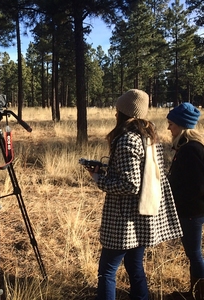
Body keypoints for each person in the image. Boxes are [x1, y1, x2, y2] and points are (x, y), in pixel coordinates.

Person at [85, 89, 182, 299]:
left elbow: (130, 184)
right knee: (134, 265)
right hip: (143, 216)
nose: (115, 114)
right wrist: (106, 169)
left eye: (117, 110)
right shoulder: (148, 137)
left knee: (107, 271)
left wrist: (98, 179)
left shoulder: (127, 139)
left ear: (123, 112)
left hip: (124, 220)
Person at [167, 103, 204, 300]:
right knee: (194, 254)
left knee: (195, 254)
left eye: (171, 124)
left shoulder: (191, 150)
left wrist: (179, 203)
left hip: (191, 212)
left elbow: (196, 186)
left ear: (182, 126)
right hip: (191, 211)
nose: (168, 128)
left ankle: (199, 294)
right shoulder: (188, 147)